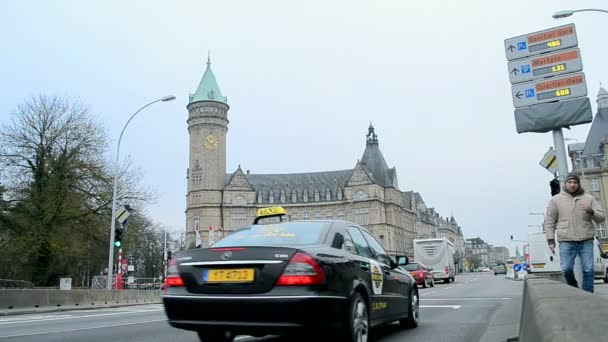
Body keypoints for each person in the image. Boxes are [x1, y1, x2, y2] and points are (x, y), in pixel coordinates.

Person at [544, 173, 605, 293]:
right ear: (565, 183)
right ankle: (575, 290)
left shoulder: (589, 198)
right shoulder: (556, 200)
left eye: (575, 182)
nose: (572, 185)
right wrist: (550, 241)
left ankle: (588, 294)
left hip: (586, 239)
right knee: (566, 269)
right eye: (570, 182)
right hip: (566, 239)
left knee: (588, 269)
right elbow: (550, 222)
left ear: (578, 184)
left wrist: (591, 211)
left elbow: (601, 218)